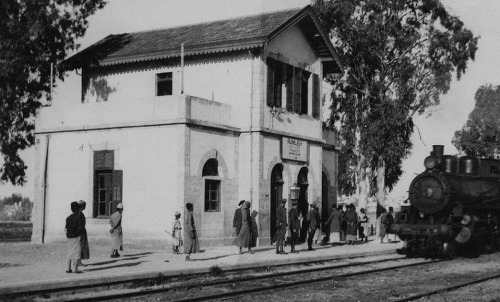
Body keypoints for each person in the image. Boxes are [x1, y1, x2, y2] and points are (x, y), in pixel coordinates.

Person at [65, 201, 83, 273]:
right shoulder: (78, 217)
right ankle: (75, 268)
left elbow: (66, 228)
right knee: (77, 252)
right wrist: (80, 234)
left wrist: (68, 235)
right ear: (78, 208)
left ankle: (68, 268)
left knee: (69, 252)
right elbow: (81, 227)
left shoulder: (68, 218)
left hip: (69, 236)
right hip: (76, 236)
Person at [77, 200, 89, 266]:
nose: (85, 207)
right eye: (84, 205)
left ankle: (78, 261)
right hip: (80, 232)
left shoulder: (80, 213)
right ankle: (78, 262)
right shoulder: (79, 213)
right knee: (80, 246)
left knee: (81, 246)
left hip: (82, 231)